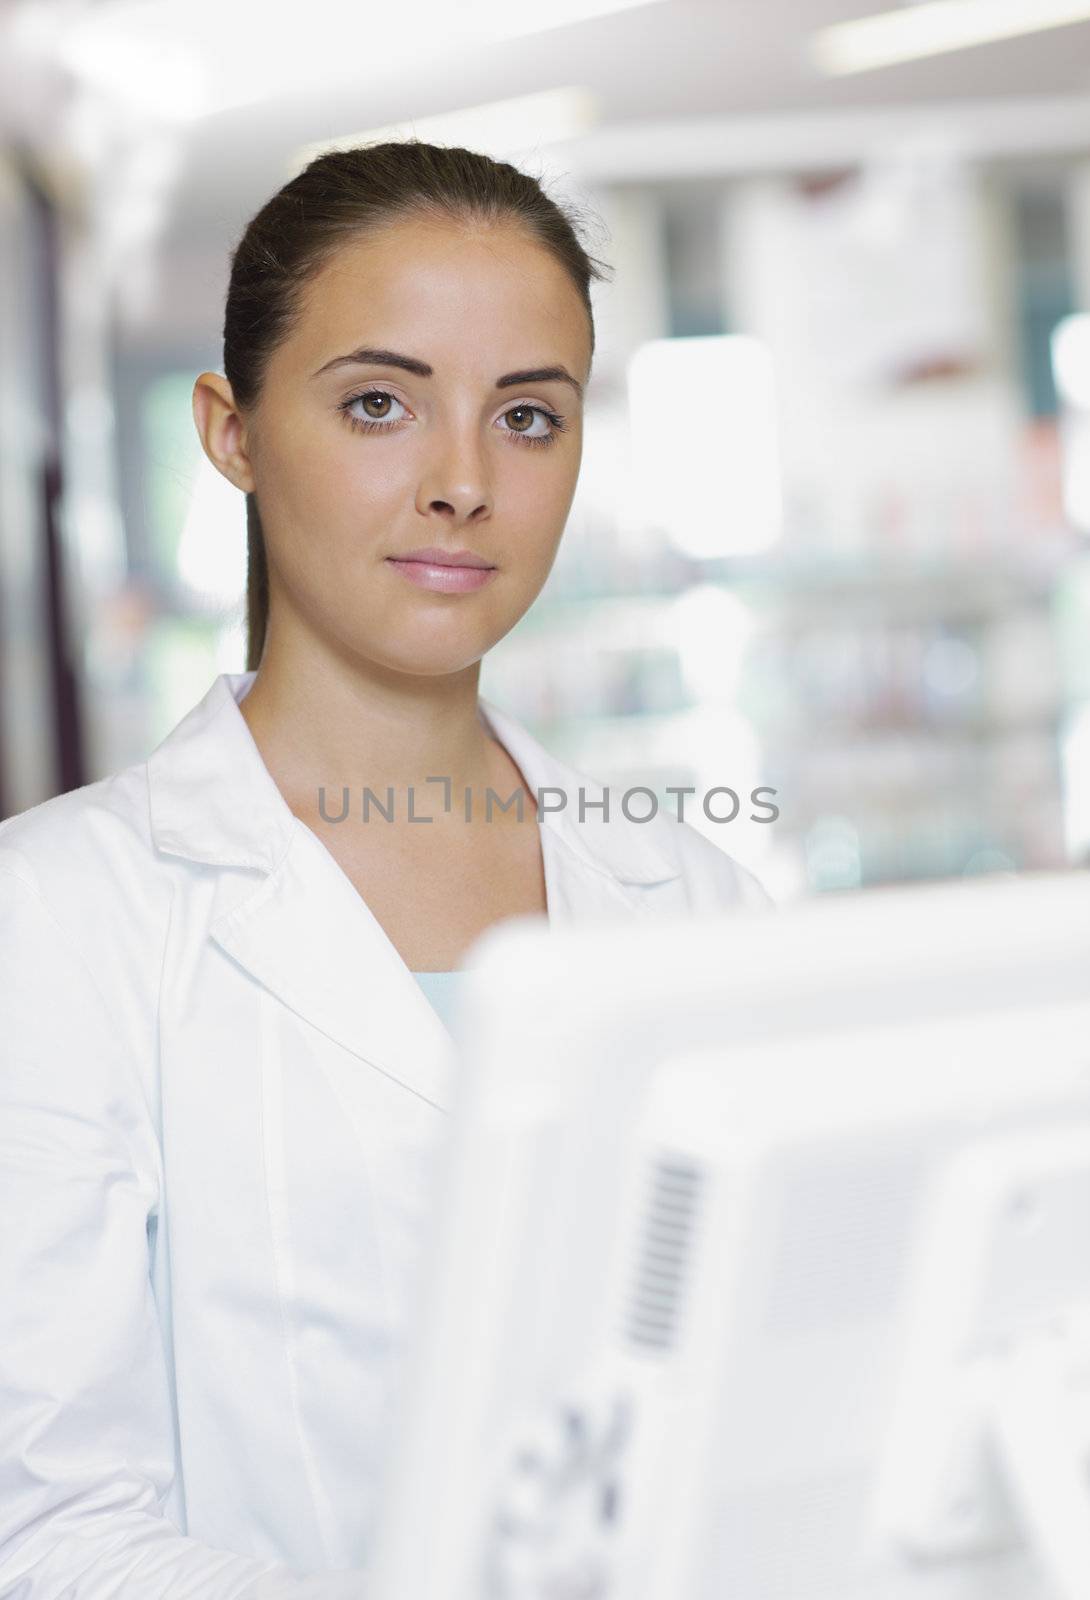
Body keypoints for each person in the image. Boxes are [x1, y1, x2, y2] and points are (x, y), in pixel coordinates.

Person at [0, 140, 771, 1597]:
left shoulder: (699, 899)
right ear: (229, 433)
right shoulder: (55, 918)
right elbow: (43, 1532)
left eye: (528, 417)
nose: (463, 483)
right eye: (377, 404)